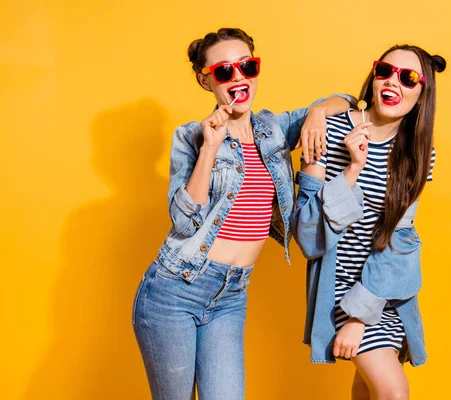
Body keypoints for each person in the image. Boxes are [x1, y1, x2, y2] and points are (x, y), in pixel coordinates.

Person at [131, 27, 355, 400]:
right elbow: (184, 221)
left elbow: (348, 100)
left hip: (231, 294)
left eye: (247, 66)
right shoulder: (191, 137)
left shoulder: (274, 130)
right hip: (174, 291)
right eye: (224, 71)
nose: (238, 78)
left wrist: (316, 111)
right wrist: (210, 149)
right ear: (206, 80)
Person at [291, 44, 446, 400]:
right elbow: (307, 234)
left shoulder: (419, 155)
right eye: (385, 71)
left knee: (368, 392)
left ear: (422, 95)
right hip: (339, 288)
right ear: (373, 76)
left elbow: (400, 240)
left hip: (384, 290)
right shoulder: (326, 131)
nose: (394, 82)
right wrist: (351, 171)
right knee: (393, 392)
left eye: (409, 78)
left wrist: (363, 315)